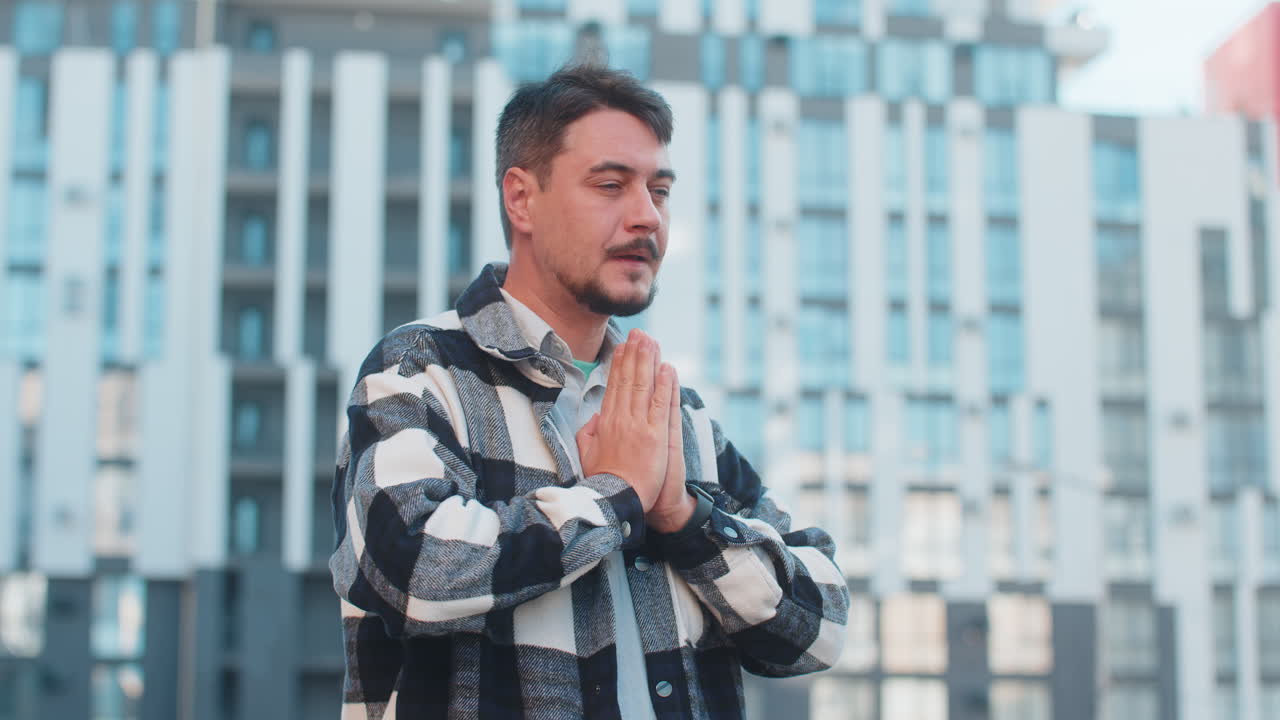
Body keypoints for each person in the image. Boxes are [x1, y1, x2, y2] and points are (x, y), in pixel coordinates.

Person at [330, 63, 849, 719]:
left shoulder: (673, 413)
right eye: (611, 186)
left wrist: (685, 520)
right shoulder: (419, 368)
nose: (647, 218)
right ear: (522, 199)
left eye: (659, 192)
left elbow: (821, 625)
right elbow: (414, 571)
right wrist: (616, 495)